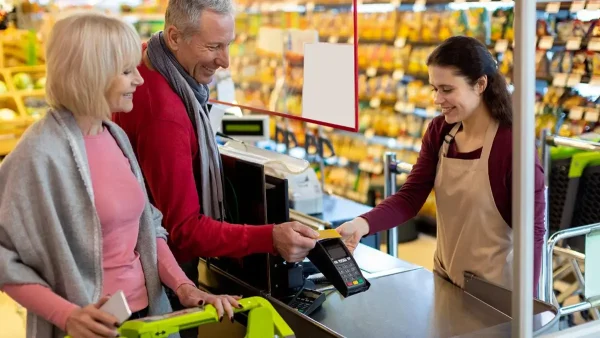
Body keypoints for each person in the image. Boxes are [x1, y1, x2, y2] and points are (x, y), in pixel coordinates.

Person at [0, 12, 240, 338]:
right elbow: (4, 255)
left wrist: (184, 287)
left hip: (147, 320)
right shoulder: (40, 152)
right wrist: (68, 315)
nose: (139, 80)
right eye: (127, 71)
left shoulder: (113, 135)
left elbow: (148, 227)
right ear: (91, 75)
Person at [113, 0, 318, 311]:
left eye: (228, 45)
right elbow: (183, 230)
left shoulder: (148, 58)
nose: (225, 61)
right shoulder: (165, 115)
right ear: (174, 37)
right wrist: (271, 237)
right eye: (213, 47)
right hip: (162, 281)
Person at [337, 36, 546, 292]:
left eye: (447, 89)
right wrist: (361, 225)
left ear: (480, 84)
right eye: (434, 88)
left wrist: (526, 308)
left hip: (498, 294)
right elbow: (411, 197)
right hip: (446, 278)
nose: (437, 99)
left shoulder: (512, 145)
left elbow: (532, 233)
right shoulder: (440, 132)